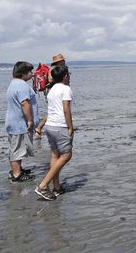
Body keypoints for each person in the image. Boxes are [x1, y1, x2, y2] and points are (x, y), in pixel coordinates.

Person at [34, 65, 75, 200]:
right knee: (66, 155)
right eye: (68, 74)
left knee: (55, 155)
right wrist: (70, 127)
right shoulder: (65, 89)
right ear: (65, 77)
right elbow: (66, 108)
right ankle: (43, 185)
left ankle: (56, 187)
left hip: (50, 126)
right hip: (60, 126)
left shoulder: (51, 89)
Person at [5, 61, 37, 182]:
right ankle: (17, 174)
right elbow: (25, 103)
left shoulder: (13, 83)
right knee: (17, 148)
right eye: (30, 72)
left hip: (13, 121)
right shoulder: (22, 85)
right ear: (23, 73)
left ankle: (17, 169)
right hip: (18, 122)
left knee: (17, 146)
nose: (32, 74)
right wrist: (30, 120)